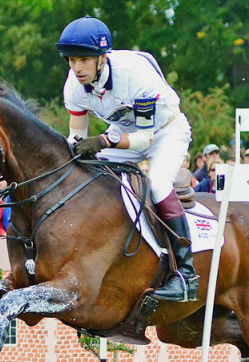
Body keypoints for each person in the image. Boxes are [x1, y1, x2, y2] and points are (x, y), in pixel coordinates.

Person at [56, 16, 197, 302]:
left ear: (102, 57)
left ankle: (185, 275)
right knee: (81, 170)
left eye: (84, 59)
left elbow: (146, 139)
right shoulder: (73, 86)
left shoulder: (135, 75)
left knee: (157, 184)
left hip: (166, 131)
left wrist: (104, 141)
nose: (76, 68)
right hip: (123, 134)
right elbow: (76, 139)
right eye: (71, 60)